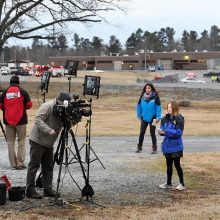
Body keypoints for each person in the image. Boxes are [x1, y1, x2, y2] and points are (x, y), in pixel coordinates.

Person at [26, 91, 72, 199]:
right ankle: (30, 190)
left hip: (49, 143)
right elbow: (38, 119)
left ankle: (48, 189)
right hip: (38, 140)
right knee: (34, 165)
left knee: (48, 166)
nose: (63, 106)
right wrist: (48, 130)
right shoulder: (47, 106)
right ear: (58, 100)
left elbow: (67, 123)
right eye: (61, 103)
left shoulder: (64, 109)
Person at [0, 75, 32, 170]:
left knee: (10, 142)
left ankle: (13, 164)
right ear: (18, 82)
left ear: (10, 82)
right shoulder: (22, 92)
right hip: (21, 121)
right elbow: (29, 105)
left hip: (8, 121)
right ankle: (20, 163)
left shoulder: (5, 93)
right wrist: (21, 108)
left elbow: (1, 106)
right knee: (21, 142)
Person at [158, 101, 185, 191]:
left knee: (177, 164)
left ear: (174, 108)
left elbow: (178, 132)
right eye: (168, 107)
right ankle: (168, 183)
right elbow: (162, 128)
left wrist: (166, 132)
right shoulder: (165, 118)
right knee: (168, 165)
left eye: (170, 107)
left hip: (176, 146)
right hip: (167, 145)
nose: (169, 109)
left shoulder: (179, 119)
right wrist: (160, 132)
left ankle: (182, 184)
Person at [136, 83, 162, 154]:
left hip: (153, 118)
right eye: (146, 88)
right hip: (144, 118)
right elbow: (138, 106)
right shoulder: (142, 97)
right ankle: (139, 147)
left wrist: (158, 117)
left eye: (149, 88)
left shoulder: (155, 97)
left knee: (152, 133)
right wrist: (139, 115)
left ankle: (154, 148)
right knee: (142, 132)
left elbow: (158, 108)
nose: (147, 89)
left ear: (152, 89)